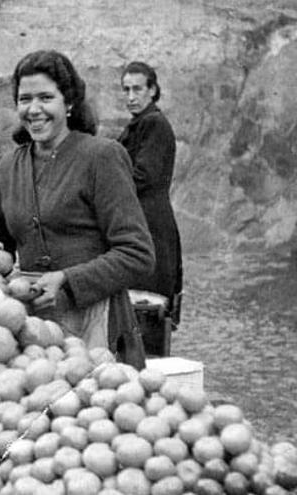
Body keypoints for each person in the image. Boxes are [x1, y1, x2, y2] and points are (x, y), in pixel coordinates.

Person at [0, 50, 154, 368]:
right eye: (25, 99)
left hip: (97, 322)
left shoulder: (101, 157)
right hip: (31, 329)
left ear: (68, 103)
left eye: (45, 98)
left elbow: (138, 254)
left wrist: (67, 280)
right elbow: (0, 248)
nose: (34, 109)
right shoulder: (7, 165)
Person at [118, 61, 183, 326]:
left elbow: (143, 176)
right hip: (142, 222)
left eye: (137, 89)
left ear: (153, 90)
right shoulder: (140, 124)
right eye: (126, 90)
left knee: (146, 305)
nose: (131, 97)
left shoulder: (154, 124)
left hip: (151, 225)